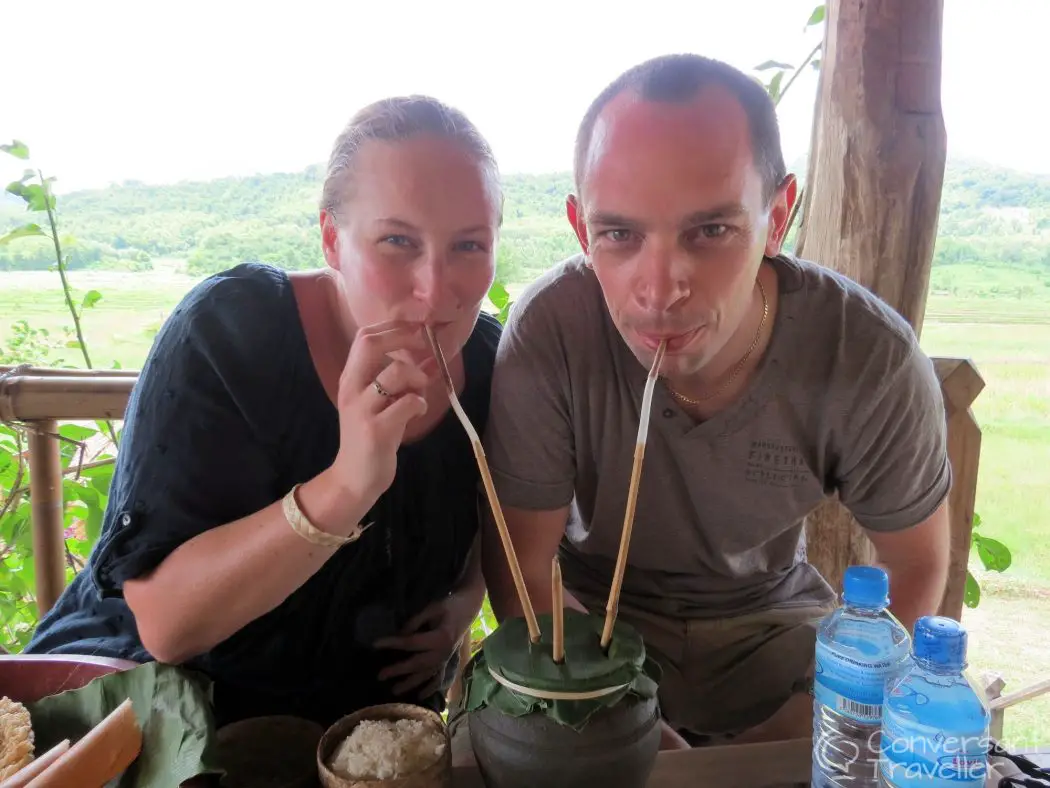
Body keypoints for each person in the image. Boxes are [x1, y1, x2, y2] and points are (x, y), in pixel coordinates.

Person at [479, 54, 952, 747]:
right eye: (620, 235)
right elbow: (519, 565)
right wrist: (620, 716)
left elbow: (916, 564)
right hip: (587, 627)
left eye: (710, 232)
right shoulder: (555, 329)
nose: (662, 286)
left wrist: (808, 724)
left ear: (777, 218)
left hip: (773, 627)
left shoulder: (866, 354)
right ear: (583, 232)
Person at [26, 95, 505, 729]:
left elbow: (494, 511)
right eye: (397, 241)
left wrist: (466, 596)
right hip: (135, 716)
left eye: (468, 245)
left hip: (353, 739)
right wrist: (346, 485)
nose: (436, 289)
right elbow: (167, 626)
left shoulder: (492, 365)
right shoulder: (232, 333)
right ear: (333, 240)